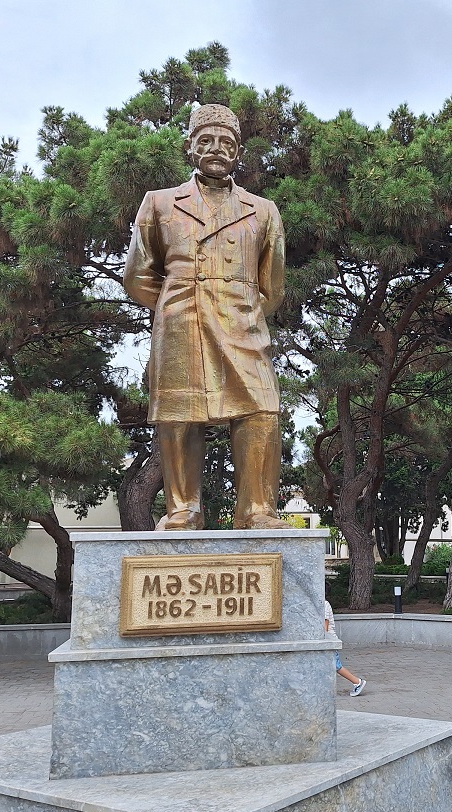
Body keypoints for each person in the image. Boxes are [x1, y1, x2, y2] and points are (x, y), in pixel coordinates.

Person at [123, 102, 289, 530]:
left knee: (261, 408)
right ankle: (184, 508)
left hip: (243, 322)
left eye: (226, 143)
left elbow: (272, 286)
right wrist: (178, 303)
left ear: (238, 152)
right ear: (189, 148)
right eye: (206, 141)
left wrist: (238, 306)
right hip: (181, 321)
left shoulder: (263, 210)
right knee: (179, 413)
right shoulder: (159, 204)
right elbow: (138, 277)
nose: (216, 149)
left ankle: (257, 510)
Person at [325, 600, 366, 696]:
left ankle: (358, 682)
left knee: (336, 665)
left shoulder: (324, 604)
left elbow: (325, 626)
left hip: (330, 641)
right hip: (327, 641)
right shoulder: (320, 603)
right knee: (331, 666)